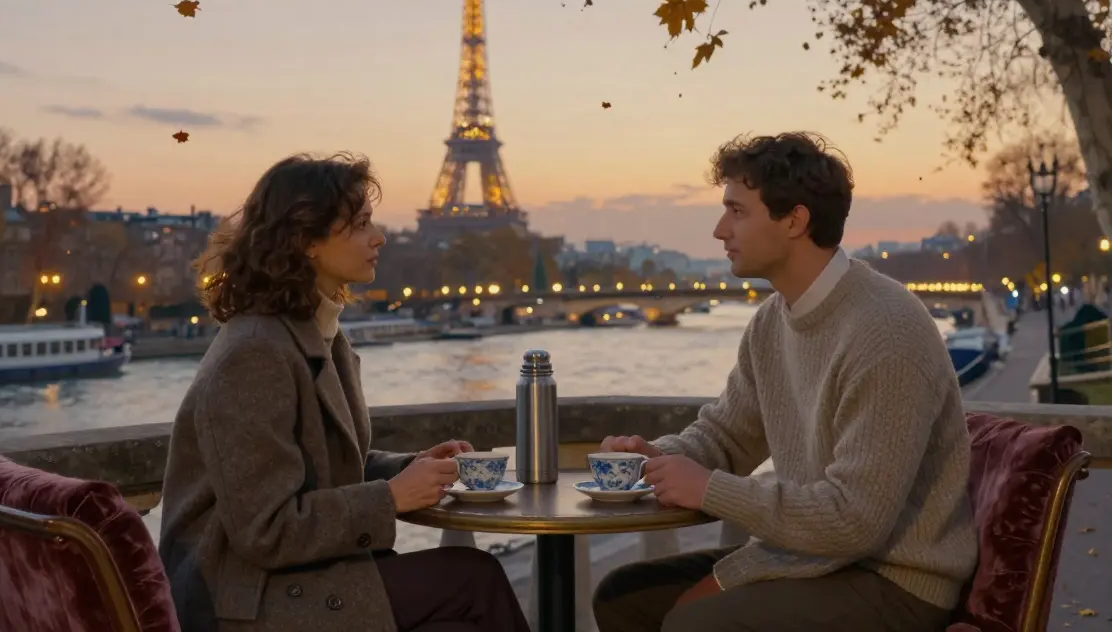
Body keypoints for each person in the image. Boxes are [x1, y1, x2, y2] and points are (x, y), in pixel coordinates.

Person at [592, 133, 978, 631]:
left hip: (894, 580)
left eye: (737, 211)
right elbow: (726, 438)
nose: (718, 230)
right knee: (621, 597)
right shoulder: (772, 322)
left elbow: (854, 520)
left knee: (696, 625)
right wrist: (658, 459)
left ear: (794, 220)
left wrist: (709, 489)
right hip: (812, 558)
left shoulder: (885, 329)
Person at [158, 152, 531, 632]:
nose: (379, 237)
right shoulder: (254, 354)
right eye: (359, 225)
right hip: (240, 599)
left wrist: (408, 469)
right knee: (471, 580)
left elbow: (315, 466)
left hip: (283, 580)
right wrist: (392, 497)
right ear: (306, 240)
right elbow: (265, 528)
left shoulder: (312, 334)